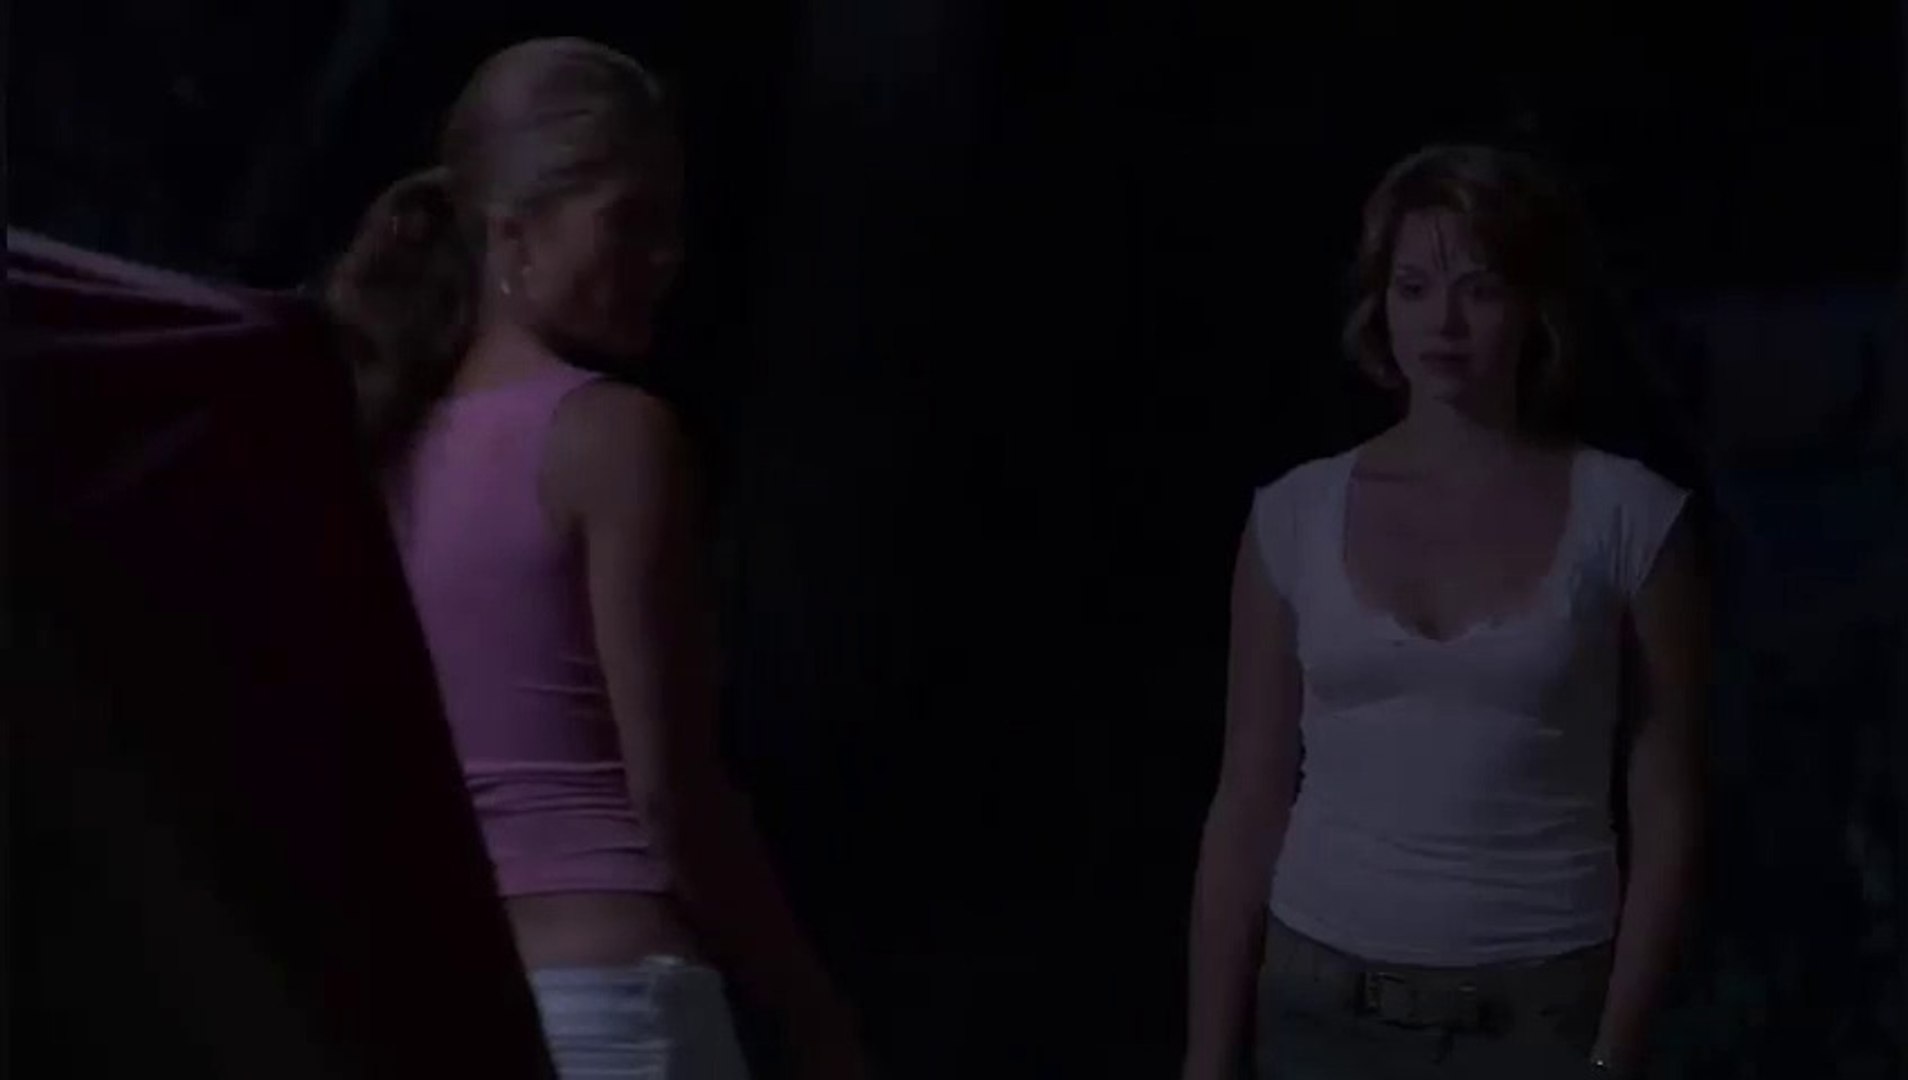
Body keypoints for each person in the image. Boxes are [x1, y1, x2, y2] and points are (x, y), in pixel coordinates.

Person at [325, 38, 867, 1080]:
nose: (666, 258)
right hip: (618, 1014)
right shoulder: (613, 439)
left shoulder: (384, 447)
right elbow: (672, 798)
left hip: (440, 1010)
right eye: (630, 221)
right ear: (513, 229)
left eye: (672, 226)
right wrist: (821, 1027)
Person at [1182, 145, 1706, 1079]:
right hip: (1321, 1007)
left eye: (1480, 289)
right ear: (1379, 304)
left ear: (1534, 307)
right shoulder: (1295, 516)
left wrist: (1611, 1056)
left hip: (1540, 1010)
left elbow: (1667, 804)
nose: (1445, 323)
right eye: (1415, 288)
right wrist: (1206, 1058)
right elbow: (1248, 798)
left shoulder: (1630, 518)